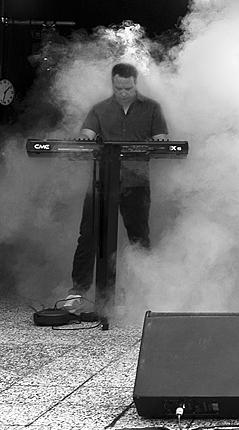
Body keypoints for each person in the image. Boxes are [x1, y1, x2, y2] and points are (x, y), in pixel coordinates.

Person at [63, 62, 168, 313]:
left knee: (139, 238)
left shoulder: (152, 108)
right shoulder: (100, 109)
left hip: (136, 182)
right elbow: (86, 134)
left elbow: (162, 141)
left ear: (136, 83)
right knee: (88, 235)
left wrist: (156, 143)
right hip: (102, 180)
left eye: (128, 88)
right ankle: (77, 293)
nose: (123, 92)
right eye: (118, 88)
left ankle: (143, 294)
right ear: (113, 83)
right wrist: (83, 140)